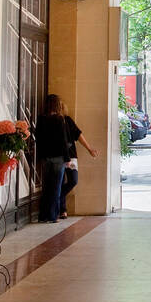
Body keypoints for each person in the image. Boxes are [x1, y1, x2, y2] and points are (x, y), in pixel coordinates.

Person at [34, 94, 96, 222]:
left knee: (46, 187)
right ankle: (52, 216)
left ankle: (43, 215)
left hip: (45, 157)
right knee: (56, 188)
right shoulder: (59, 119)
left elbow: (38, 139)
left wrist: (40, 155)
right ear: (58, 105)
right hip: (58, 158)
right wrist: (67, 159)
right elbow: (63, 141)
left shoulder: (40, 119)